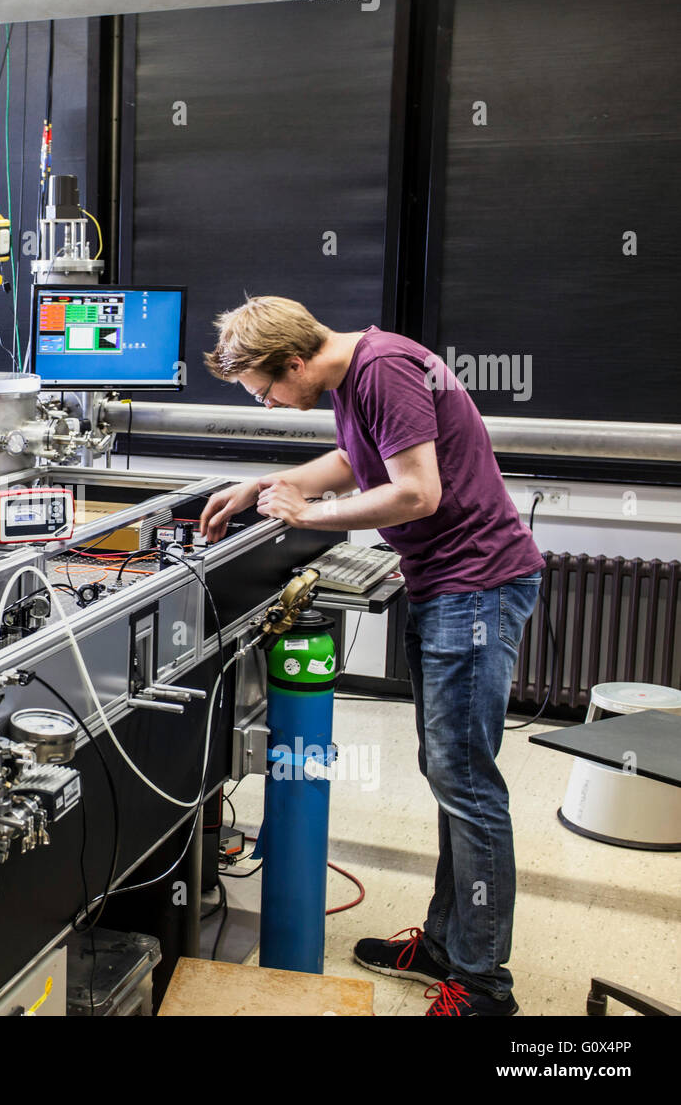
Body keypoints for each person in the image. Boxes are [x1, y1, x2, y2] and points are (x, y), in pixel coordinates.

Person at [198, 295, 545, 1017]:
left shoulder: (382, 369)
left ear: (294, 362)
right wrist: (266, 485)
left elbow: (417, 492)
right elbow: (358, 460)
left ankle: (484, 984)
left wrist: (308, 514)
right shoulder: (361, 369)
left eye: (266, 391)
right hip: (451, 585)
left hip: (475, 586)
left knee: (468, 782)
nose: (269, 405)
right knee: (449, 771)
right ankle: (450, 945)